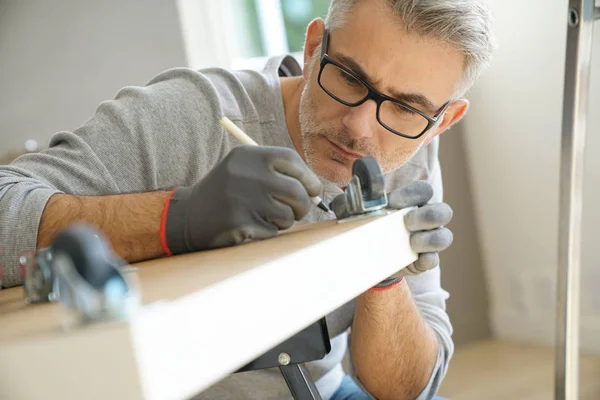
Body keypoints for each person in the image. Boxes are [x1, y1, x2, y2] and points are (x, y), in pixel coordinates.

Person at [0, 0, 495, 398]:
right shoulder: (194, 113)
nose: (360, 128)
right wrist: (179, 217)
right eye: (347, 76)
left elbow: (408, 388)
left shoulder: (409, 147)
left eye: (406, 107)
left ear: (441, 122)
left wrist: (382, 272)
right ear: (313, 46)